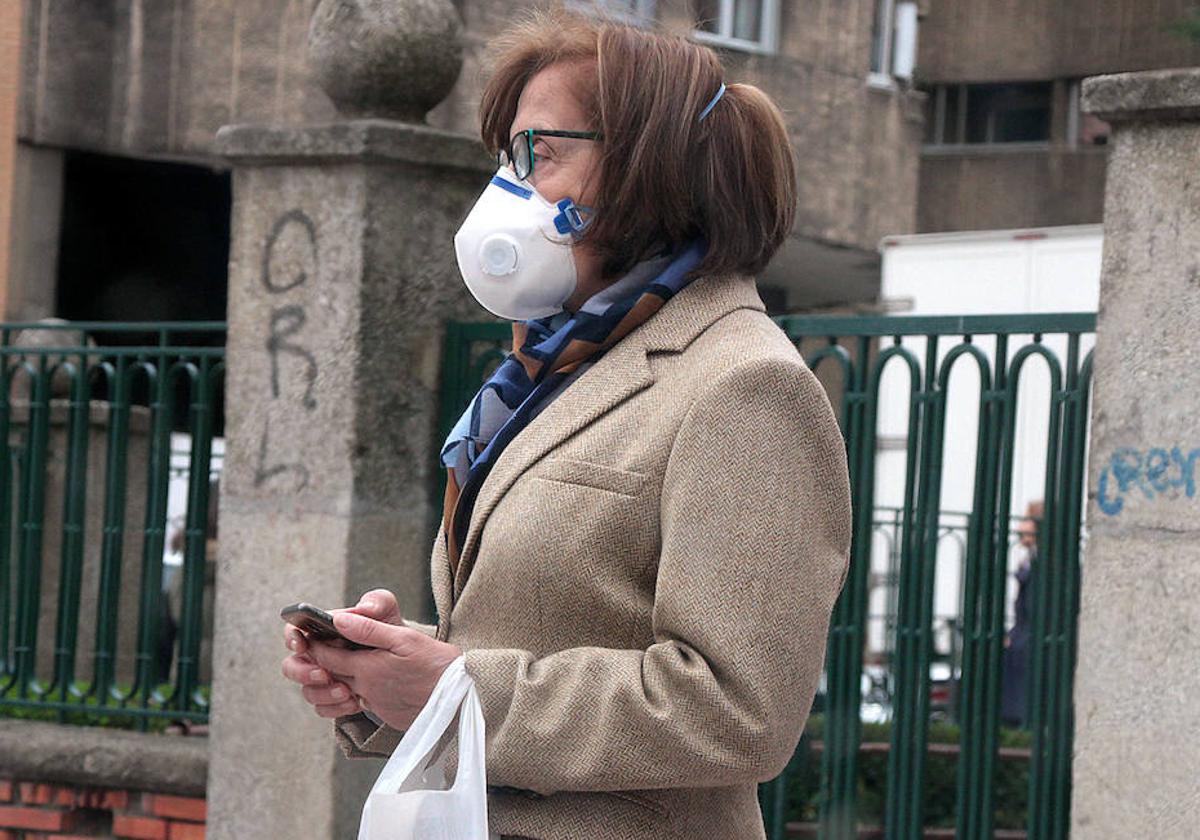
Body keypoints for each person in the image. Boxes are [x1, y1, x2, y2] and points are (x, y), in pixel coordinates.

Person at [281, 9, 852, 839]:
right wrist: (390, 673)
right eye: (506, 157)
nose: (506, 188)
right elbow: (532, 636)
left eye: (538, 154)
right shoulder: (554, 368)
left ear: (646, 169)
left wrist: (459, 689)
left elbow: (739, 709)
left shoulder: (744, 383)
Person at [1001, 500, 1043, 728]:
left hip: (1028, 647)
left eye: (1027, 519)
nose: (1021, 526)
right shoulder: (1031, 561)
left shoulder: (1044, 564)